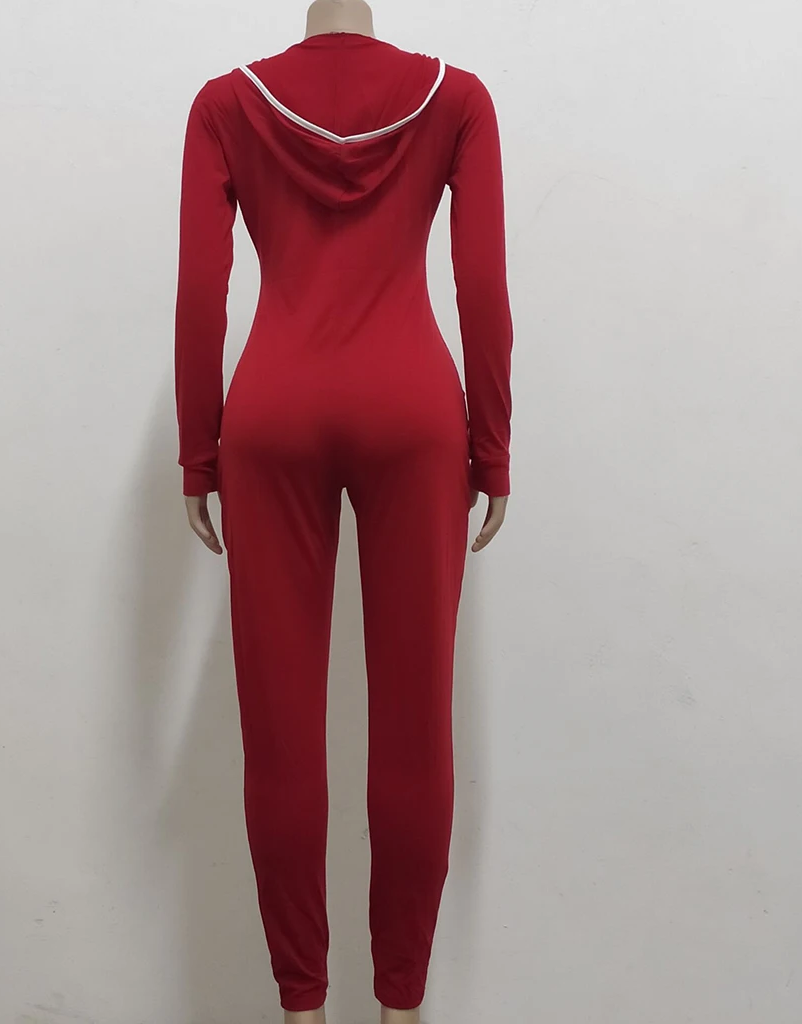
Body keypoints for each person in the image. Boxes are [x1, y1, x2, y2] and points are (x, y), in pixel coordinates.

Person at [174, 2, 513, 1021]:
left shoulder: (226, 104)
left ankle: (302, 1007)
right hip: (412, 407)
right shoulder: (456, 99)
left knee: (279, 729)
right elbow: (480, 280)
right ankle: (400, 1007)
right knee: (416, 723)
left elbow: (201, 288)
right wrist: (492, 443)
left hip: (273, 406)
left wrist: (199, 450)